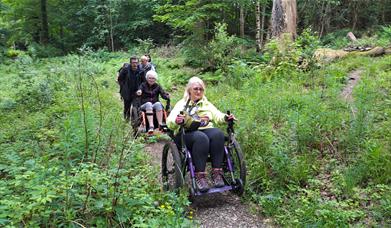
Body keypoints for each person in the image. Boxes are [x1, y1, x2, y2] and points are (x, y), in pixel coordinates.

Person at [166, 77, 235, 192]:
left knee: (218, 134)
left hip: (205, 131)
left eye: (201, 89)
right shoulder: (182, 104)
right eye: (195, 89)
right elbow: (170, 121)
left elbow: (217, 115)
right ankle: (200, 177)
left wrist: (226, 117)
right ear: (189, 91)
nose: (198, 91)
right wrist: (177, 121)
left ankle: (217, 173)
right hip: (186, 134)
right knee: (201, 138)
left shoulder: (206, 104)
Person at [117, 56, 144, 120]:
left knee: (136, 106)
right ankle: (126, 119)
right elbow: (120, 79)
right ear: (130, 63)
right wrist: (124, 87)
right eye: (133, 62)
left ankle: (135, 120)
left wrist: (140, 89)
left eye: (136, 62)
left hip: (136, 91)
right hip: (127, 92)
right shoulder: (125, 70)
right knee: (127, 106)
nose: (135, 64)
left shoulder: (141, 70)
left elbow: (144, 82)